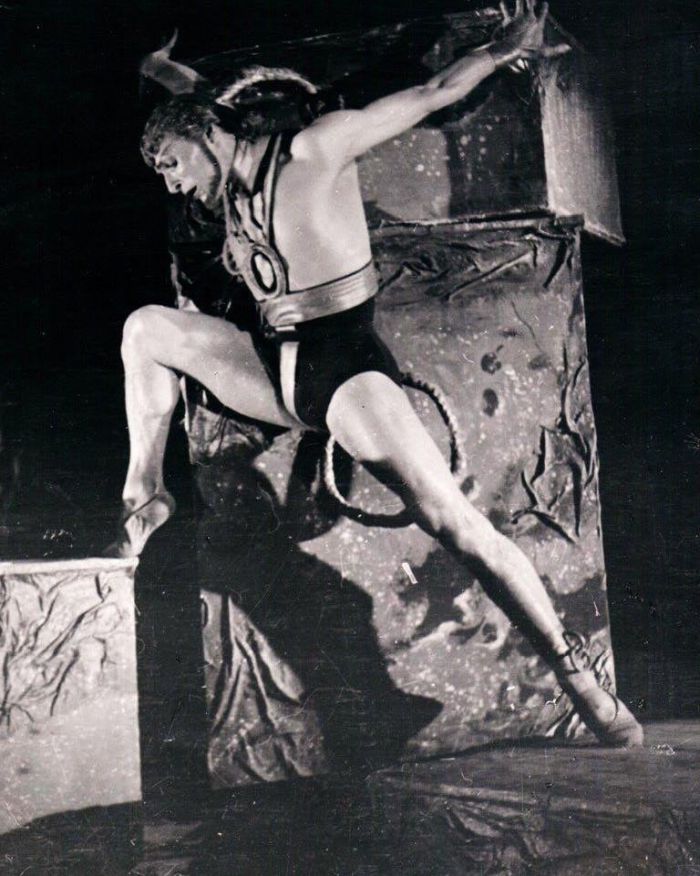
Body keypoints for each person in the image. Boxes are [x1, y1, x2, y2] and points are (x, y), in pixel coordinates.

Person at [112, 0, 643, 747]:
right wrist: (158, 70)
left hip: (344, 372)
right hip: (274, 366)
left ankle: (578, 677)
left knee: (454, 523)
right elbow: (196, 99)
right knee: (146, 329)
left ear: (204, 138)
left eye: (171, 165)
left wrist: (501, 49)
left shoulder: (314, 151)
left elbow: (429, 95)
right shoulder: (220, 160)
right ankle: (145, 495)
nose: (172, 185)